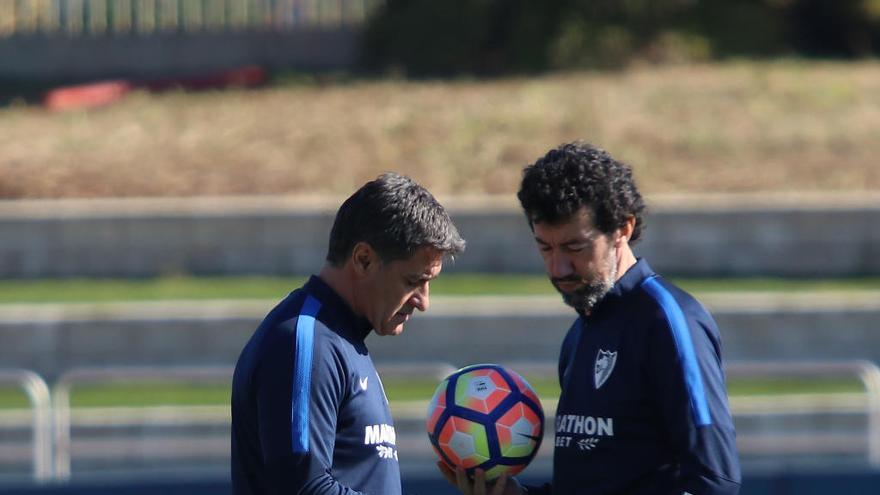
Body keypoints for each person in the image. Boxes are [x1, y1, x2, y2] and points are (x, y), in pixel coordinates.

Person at [441, 142, 740, 494]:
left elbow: (714, 482)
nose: (558, 268)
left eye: (575, 248)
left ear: (623, 229)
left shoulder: (670, 323)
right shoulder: (580, 334)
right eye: (545, 247)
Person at [232, 172, 466, 494]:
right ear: (363, 259)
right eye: (413, 281)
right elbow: (303, 488)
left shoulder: (340, 341)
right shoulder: (306, 342)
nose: (423, 302)